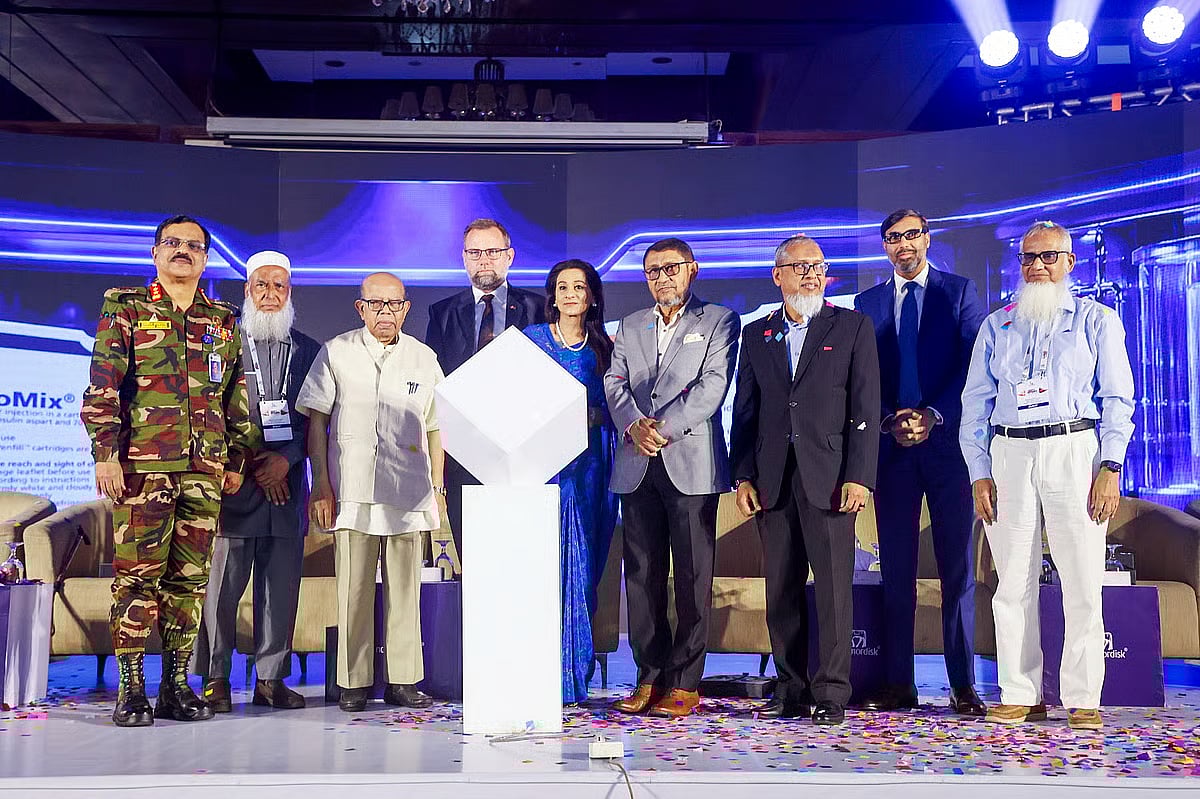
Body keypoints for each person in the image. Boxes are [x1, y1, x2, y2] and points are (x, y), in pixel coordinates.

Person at [81, 214, 258, 727]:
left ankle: (176, 684)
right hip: (142, 468)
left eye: (195, 246)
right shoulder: (127, 308)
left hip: (204, 470)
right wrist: (105, 453)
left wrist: (236, 460)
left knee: (189, 583)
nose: (184, 252)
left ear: (205, 258)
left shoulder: (222, 319)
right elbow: (102, 386)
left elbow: (235, 396)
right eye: (174, 244)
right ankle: (132, 687)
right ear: (156, 252)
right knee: (137, 580)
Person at [960, 221, 1135, 731]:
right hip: (1008, 453)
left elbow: (1118, 400)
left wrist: (1110, 466)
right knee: (1010, 580)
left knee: (1082, 577)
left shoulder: (1097, 321)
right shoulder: (998, 326)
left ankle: (1084, 696)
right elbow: (975, 404)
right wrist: (979, 472)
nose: (1037, 266)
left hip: (1074, 448)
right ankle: (1020, 691)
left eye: (1049, 257)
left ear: (1070, 263)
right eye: (1029, 258)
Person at [730, 234, 880, 726]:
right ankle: (790, 687)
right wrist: (743, 475)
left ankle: (832, 693)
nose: (812, 274)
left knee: (835, 590)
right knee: (782, 589)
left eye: (818, 266)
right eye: (801, 267)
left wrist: (859, 476)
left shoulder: (852, 326)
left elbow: (865, 406)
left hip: (832, 479)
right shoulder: (757, 334)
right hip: (773, 480)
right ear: (778, 276)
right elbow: (746, 414)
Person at [853, 210, 988, 717]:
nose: (903, 244)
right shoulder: (867, 303)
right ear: (884, 247)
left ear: (927, 239)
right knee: (897, 574)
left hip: (948, 449)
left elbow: (974, 365)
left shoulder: (958, 292)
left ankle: (962, 685)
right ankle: (899, 685)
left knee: (957, 572)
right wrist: (891, 420)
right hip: (893, 451)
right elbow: (863, 375)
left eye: (912, 235)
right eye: (893, 238)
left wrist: (932, 415)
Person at [603, 237, 740, 719]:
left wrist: (660, 428)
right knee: (640, 576)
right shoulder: (630, 324)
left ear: (692, 270)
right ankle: (649, 675)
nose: (662, 278)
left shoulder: (720, 320)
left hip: (691, 462)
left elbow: (713, 387)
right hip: (636, 462)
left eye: (671, 268)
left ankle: (684, 681)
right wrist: (632, 425)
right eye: (653, 271)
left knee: (692, 575)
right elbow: (613, 382)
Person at [298, 272, 444, 713]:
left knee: (406, 591)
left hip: (409, 491)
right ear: (360, 308)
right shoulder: (336, 353)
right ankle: (353, 682)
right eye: (376, 304)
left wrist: (437, 488)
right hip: (353, 490)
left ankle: (403, 680)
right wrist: (320, 483)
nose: (386, 312)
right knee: (354, 591)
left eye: (394, 304)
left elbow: (436, 427)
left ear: (406, 308)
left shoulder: (423, 358)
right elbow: (317, 421)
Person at [193, 250, 320, 712]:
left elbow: (317, 419)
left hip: (286, 486)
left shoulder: (308, 349)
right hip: (234, 482)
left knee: (281, 586)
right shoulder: (220, 343)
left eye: (279, 286)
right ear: (247, 291)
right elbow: (206, 412)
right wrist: (246, 465)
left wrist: (286, 461)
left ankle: (270, 679)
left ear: (290, 293)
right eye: (261, 285)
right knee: (222, 589)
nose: (270, 294)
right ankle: (216, 678)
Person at [524, 259, 619, 705]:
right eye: (561, 286)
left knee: (583, 571)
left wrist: (585, 417)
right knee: (545, 568)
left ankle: (574, 673)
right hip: (543, 470)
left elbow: (614, 409)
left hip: (590, 468)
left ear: (592, 296)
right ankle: (537, 671)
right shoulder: (532, 342)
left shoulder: (606, 348)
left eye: (578, 287)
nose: (569, 294)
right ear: (552, 295)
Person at [424, 219, 546, 562]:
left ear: (510, 256)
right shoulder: (443, 313)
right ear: (464, 258)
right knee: (474, 553)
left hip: (524, 450)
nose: (484, 260)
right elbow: (438, 381)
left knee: (522, 554)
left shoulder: (538, 308)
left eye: (493, 251)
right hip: (464, 449)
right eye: (475, 252)